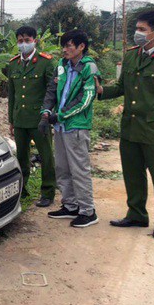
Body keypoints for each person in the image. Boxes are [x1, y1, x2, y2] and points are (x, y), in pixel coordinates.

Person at [97, 10, 154, 239]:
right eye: (137, 28)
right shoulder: (131, 55)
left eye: (142, 29)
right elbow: (121, 88)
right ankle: (136, 214)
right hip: (130, 127)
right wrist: (99, 91)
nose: (137, 33)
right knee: (132, 174)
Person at [40, 29, 100, 228]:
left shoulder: (89, 68)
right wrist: (46, 112)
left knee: (79, 169)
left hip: (76, 126)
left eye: (69, 46)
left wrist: (62, 114)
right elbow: (51, 89)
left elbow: (86, 99)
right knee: (62, 168)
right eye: (63, 46)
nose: (64, 49)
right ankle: (70, 205)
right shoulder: (62, 65)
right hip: (60, 126)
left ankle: (87, 210)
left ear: (81, 47)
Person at [7, 26, 57, 207]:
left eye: (27, 40)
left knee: (46, 156)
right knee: (21, 156)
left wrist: (49, 115)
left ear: (35, 41)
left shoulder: (45, 62)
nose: (23, 44)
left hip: (39, 119)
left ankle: (48, 191)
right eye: (20, 41)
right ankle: (23, 189)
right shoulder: (13, 64)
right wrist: (11, 120)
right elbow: (11, 95)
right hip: (20, 118)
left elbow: (52, 92)